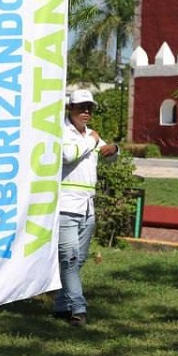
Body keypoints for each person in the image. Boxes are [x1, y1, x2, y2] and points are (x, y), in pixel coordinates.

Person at [55, 88, 119, 326]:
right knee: (69, 260)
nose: (86, 111)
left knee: (78, 259)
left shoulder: (91, 134)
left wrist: (114, 150)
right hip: (66, 205)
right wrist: (91, 141)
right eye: (81, 107)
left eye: (89, 107)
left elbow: (108, 154)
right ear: (70, 108)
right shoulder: (60, 131)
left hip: (87, 208)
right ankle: (78, 309)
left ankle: (62, 305)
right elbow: (67, 155)